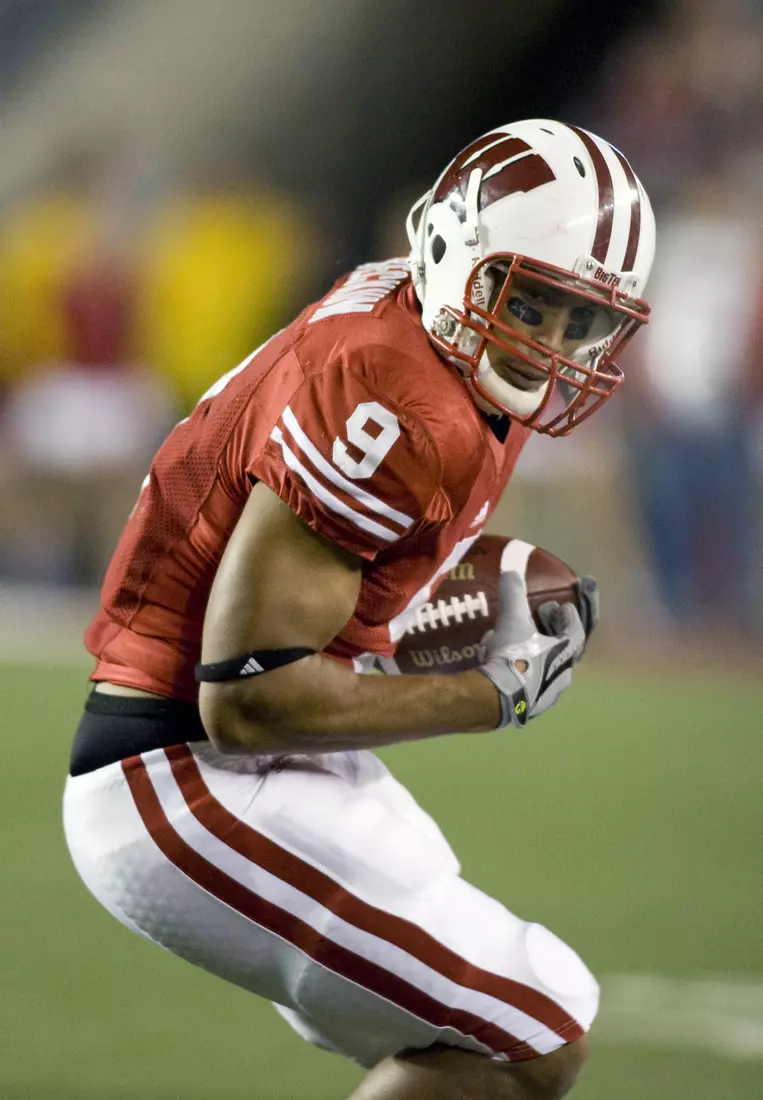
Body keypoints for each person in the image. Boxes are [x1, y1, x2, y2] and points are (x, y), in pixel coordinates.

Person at [63, 119, 654, 1100]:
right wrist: (485, 691)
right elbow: (248, 698)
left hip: (245, 759)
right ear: (453, 249)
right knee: (534, 1031)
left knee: (522, 1013)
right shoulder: (388, 397)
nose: (550, 343)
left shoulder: (421, 329)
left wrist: (428, 601)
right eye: (532, 301)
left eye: (580, 321)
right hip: (183, 774)